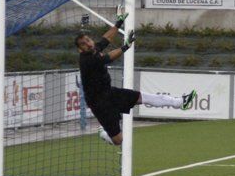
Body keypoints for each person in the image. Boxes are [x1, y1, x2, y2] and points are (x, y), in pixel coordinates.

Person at [76, 11, 196, 146]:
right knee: (118, 140)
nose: (88, 43)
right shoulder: (87, 60)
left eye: (88, 40)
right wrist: (125, 46)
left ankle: (179, 102)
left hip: (110, 93)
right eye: (83, 44)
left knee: (141, 97)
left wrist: (119, 23)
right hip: (99, 104)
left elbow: (106, 39)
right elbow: (108, 57)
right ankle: (104, 134)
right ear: (80, 49)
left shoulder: (94, 49)